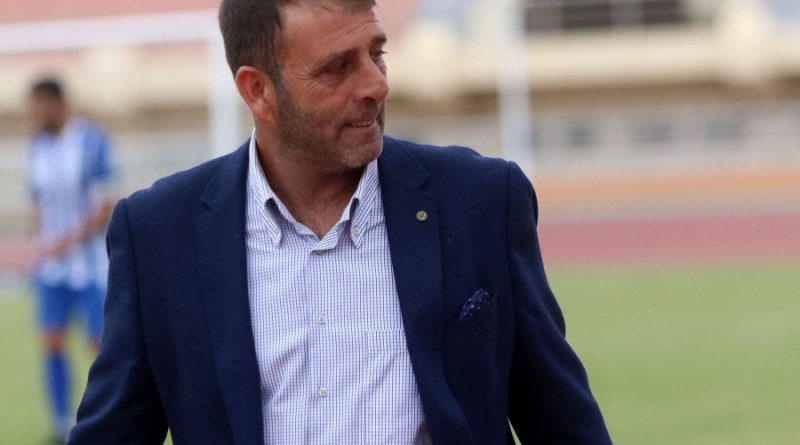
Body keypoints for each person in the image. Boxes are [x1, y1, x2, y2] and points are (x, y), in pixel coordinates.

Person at [68, 1, 611, 444]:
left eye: (377, 54)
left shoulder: (481, 201)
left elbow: (563, 423)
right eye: (338, 67)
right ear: (258, 91)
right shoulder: (158, 233)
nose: (376, 85)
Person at [26, 78, 116, 443]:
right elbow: (38, 202)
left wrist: (66, 241)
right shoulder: (37, 146)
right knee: (51, 342)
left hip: (90, 267)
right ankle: (60, 423)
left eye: (38, 105)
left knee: (100, 348)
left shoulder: (92, 142)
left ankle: (106, 419)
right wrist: (40, 244)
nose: (34, 113)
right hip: (51, 270)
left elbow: (106, 205)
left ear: (57, 103)